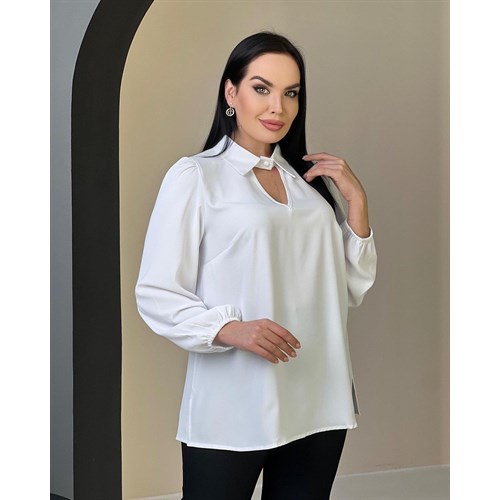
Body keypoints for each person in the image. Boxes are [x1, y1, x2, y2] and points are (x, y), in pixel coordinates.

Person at [135, 31, 377, 500]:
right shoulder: (196, 176)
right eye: (261, 88)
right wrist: (230, 330)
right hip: (234, 402)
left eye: (291, 93)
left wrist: (357, 205)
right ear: (231, 93)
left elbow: (350, 286)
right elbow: (156, 292)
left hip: (320, 398)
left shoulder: (309, 190)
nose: (277, 107)